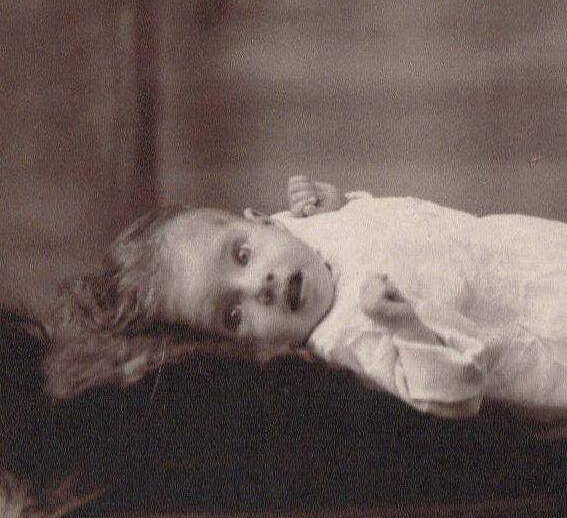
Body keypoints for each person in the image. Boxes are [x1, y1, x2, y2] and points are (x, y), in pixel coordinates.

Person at [43, 176, 567, 422]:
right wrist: (405, 327)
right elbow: (454, 396)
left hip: (532, 252)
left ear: (263, 221)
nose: (259, 286)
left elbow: (391, 222)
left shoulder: (308, 232)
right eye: (233, 315)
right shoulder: (348, 333)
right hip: (545, 346)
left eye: (242, 255)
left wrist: (342, 205)